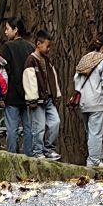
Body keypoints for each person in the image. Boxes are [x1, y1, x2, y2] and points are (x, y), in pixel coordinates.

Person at [73, 38, 103, 168]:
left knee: (89, 131)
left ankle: (92, 158)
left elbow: (76, 79)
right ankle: (94, 160)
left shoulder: (84, 59)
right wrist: (102, 90)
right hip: (97, 101)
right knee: (96, 132)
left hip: (83, 101)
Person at [0, 18, 33, 156]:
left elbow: (3, 73)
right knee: (28, 128)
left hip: (12, 94)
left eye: (7, 28)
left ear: (15, 29)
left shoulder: (7, 48)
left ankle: (12, 157)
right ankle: (29, 156)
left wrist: (2, 95)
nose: (5, 32)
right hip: (29, 93)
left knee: (12, 128)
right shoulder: (30, 47)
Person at [28, 31, 62, 160]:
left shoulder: (47, 61)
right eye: (47, 46)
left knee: (55, 122)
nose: (48, 49)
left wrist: (56, 94)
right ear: (38, 44)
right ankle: (38, 151)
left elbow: (53, 78)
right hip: (37, 100)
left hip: (48, 99)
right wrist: (32, 98)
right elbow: (29, 80)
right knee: (39, 127)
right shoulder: (31, 61)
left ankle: (49, 149)